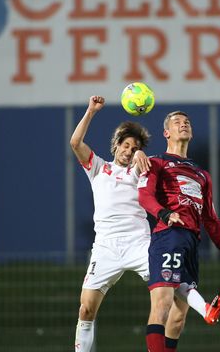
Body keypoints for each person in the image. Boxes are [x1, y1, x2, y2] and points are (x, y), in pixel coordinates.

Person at [138, 110, 220, 352]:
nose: (183, 124)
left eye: (187, 122)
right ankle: (205, 309)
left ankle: (205, 309)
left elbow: (211, 218)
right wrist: (164, 213)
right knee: (161, 306)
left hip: (191, 242)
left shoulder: (202, 174)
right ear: (166, 132)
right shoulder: (157, 162)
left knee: (178, 317)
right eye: (177, 122)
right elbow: (144, 195)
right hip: (168, 236)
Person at [70, 95, 152, 352]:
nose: (129, 150)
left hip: (138, 242)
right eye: (125, 145)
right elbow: (75, 142)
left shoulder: (140, 168)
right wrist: (91, 111)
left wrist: (141, 154)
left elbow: (152, 171)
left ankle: (204, 306)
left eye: (134, 147)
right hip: (105, 247)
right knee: (86, 308)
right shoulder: (98, 167)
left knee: (169, 286)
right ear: (116, 146)